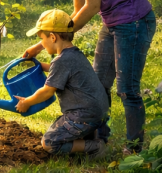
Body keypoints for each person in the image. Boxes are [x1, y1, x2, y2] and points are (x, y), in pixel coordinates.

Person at [27, 0, 156, 154]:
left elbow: (92, 6)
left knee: (127, 89)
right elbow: (77, 12)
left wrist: (50, 42)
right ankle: (98, 141)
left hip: (134, 20)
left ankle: (134, 150)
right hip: (112, 23)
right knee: (97, 84)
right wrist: (42, 43)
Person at [15, 9, 109, 160]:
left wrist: (26, 102)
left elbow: (47, 92)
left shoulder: (62, 61)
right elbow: (58, 71)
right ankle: (89, 135)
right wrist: (37, 65)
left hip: (83, 116)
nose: (42, 44)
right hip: (96, 111)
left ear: (52, 37)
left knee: (49, 142)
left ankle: (94, 146)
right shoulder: (74, 54)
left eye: (41, 39)